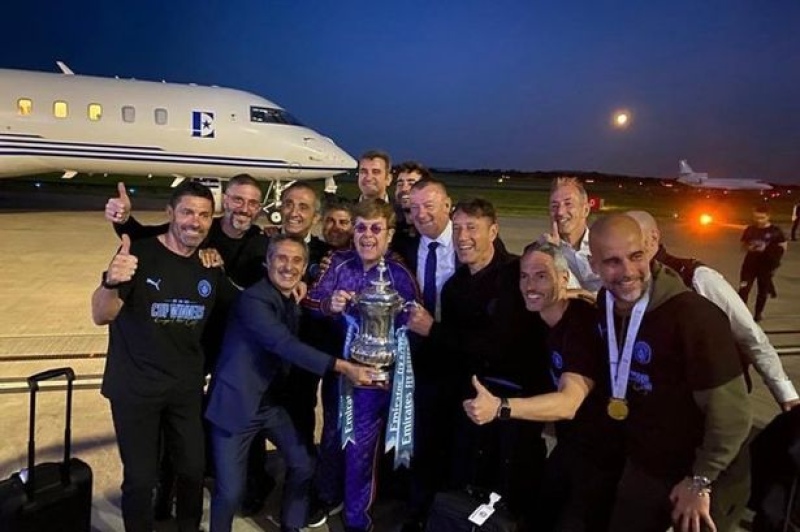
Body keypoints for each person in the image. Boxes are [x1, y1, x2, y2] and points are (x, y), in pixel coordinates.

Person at [589, 214, 752, 532]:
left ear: (648, 251)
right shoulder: (606, 304)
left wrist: (700, 480)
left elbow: (732, 417)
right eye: (612, 262)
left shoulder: (694, 317)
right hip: (648, 465)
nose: (628, 272)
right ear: (593, 265)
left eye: (636, 257)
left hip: (706, 472)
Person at [92, 181, 239, 532]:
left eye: (204, 215)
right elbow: (101, 314)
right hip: (135, 388)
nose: (196, 222)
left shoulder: (209, 264)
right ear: (170, 213)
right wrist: (111, 282)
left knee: (191, 470)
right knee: (141, 480)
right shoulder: (137, 254)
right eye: (187, 212)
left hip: (184, 389)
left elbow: (242, 308)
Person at [205, 234, 374, 532]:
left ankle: (291, 526)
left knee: (303, 464)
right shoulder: (254, 299)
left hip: (270, 406)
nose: (289, 266)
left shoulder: (289, 298)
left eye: (297, 260)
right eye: (281, 258)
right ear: (267, 262)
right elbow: (282, 344)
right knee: (230, 492)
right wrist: (343, 366)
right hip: (236, 405)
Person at [408, 199, 549, 530]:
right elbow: (460, 351)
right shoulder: (456, 286)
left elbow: (497, 344)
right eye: (457, 229)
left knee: (512, 486)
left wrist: (433, 330)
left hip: (516, 402)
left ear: (494, 231)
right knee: (469, 478)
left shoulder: (516, 275)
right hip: (471, 399)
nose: (462, 237)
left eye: (472, 228)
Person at [463, 240, 621, 531]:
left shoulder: (579, 326)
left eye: (541, 275)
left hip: (600, 457)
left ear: (563, 278)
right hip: (571, 447)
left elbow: (569, 402)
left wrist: (501, 407)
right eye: (524, 276)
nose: (530, 285)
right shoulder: (548, 318)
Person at [304, 199, 420, 532]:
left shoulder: (399, 273)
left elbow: (416, 319)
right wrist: (330, 303)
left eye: (375, 229)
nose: (367, 236)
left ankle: (357, 519)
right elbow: (311, 298)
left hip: (378, 379)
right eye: (361, 228)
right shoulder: (339, 263)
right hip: (341, 371)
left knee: (359, 450)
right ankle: (327, 496)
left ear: (390, 233)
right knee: (331, 436)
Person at [627, 210, 800, 411]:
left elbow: (751, 336)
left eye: (630, 237)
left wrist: (786, 396)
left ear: (653, 237)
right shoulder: (622, 285)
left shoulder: (698, 278)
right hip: (657, 400)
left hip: (708, 402)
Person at [540, 176, 602, 295]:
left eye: (568, 204)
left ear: (585, 210)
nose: (560, 212)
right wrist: (553, 253)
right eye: (554, 206)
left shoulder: (604, 246)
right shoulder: (545, 251)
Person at [738, 206, 788, 322]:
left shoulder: (775, 231)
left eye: (762, 218)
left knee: (762, 291)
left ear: (768, 217)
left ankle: (758, 314)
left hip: (765, 266)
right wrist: (749, 247)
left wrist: (774, 261)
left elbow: (783, 247)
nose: (759, 220)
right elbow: (743, 246)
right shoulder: (750, 229)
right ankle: (742, 315)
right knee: (743, 290)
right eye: (756, 217)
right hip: (750, 265)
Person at [389, 161, 429, 253]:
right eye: (400, 184)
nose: (404, 189)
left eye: (411, 184)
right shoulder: (390, 227)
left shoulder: (432, 231)